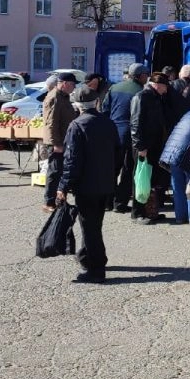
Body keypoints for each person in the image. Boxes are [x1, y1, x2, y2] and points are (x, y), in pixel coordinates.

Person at [58, 86, 120, 283]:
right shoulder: (108, 123)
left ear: (77, 105)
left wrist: (63, 186)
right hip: (105, 183)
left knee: (90, 228)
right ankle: (87, 257)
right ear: (96, 103)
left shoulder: (77, 125)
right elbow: (118, 154)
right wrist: (112, 175)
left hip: (87, 185)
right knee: (94, 224)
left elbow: (72, 161)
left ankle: (96, 269)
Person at [159, 94, 190, 226]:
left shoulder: (188, 114)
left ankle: (180, 217)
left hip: (171, 152)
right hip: (186, 154)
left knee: (177, 186)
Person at [129, 73, 172, 223]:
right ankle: (138, 212)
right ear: (158, 85)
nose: (166, 90)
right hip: (144, 146)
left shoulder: (156, 97)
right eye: (165, 86)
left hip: (154, 145)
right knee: (141, 178)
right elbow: (135, 123)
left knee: (151, 180)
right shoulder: (141, 97)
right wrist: (140, 146)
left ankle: (150, 211)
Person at [107, 64, 148, 213]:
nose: (147, 77)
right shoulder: (141, 92)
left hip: (113, 133)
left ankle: (107, 202)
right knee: (129, 168)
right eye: (146, 74)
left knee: (112, 168)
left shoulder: (114, 87)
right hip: (131, 134)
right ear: (139, 76)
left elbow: (105, 110)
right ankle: (120, 202)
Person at [42, 72, 79, 212]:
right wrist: (56, 143)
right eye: (72, 84)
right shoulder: (55, 97)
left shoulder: (63, 96)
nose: (74, 87)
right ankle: (48, 202)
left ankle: (59, 199)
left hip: (64, 139)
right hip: (57, 142)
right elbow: (50, 123)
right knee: (55, 171)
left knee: (62, 171)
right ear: (64, 84)